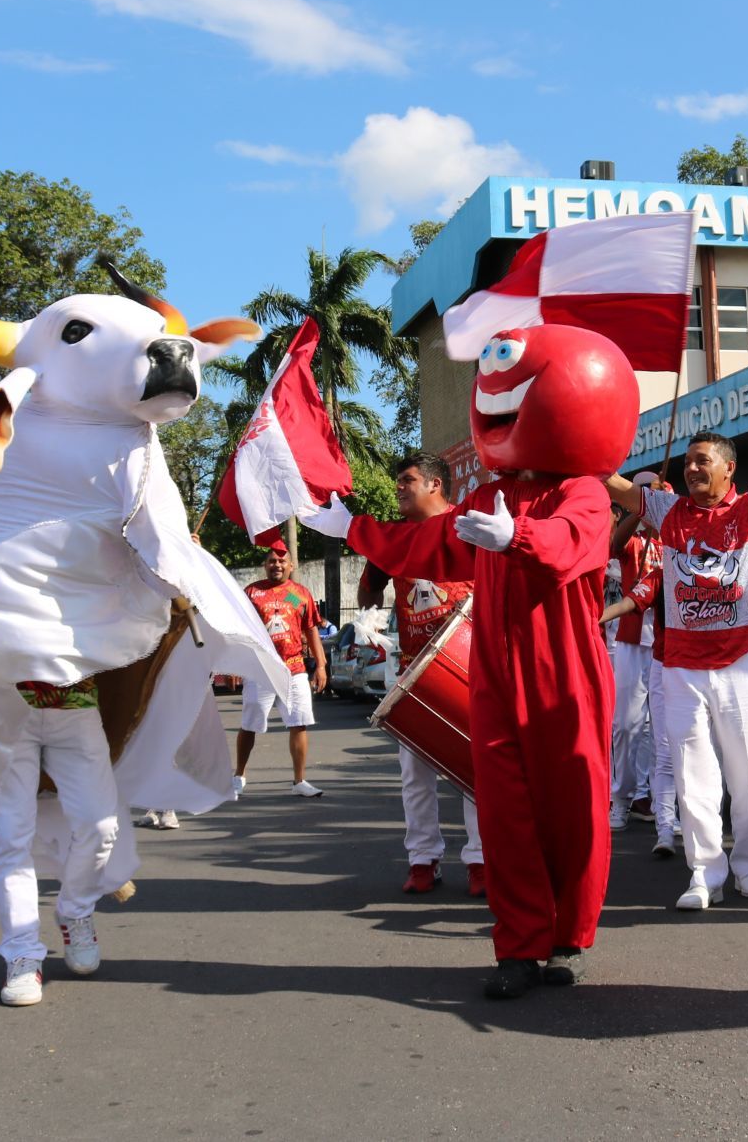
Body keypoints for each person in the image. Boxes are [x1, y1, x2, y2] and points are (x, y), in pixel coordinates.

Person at [303, 323, 636, 999]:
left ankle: (568, 929)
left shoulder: (587, 492)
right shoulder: (488, 498)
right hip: (493, 672)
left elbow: (571, 545)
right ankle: (519, 947)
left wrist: (520, 536)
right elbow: (428, 545)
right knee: (505, 815)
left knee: (571, 811)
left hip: (565, 673)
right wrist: (353, 530)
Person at [607, 354, 748, 913]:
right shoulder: (666, 510)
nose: (693, 470)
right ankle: (704, 873)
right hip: (681, 666)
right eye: (689, 463)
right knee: (694, 770)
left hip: (742, 660)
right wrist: (586, 426)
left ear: (727, 472)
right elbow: (611, 481)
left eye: (702, 463)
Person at [357, 451, 484, 898]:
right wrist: (368, 617)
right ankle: (423, 859)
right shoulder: (394, 539)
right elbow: (370, 585)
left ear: (434, 484)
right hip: (413, 672)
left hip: (470, 665)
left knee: (476, 770)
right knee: (416, 775)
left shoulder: (468, 525)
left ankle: (481, 860)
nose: (398, 487)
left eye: (407, 480)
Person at [234, 544, 326, 799]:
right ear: (265, 565)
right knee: (249, 724)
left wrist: (320, 664)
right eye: (272, 561)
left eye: (282, 561)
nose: (277, 564)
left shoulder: (300, 594)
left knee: (299, 723)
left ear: (291, 566)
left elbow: (311, 630)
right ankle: (238, 776)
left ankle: (299, 781)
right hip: (260, 668)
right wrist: (234, 664)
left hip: (294, 668)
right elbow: (239, 630)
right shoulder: (252, 593)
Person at [606, 509, 659, 832]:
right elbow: (614, 544)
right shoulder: (633, 542)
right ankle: (621, 797)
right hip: (630, 640)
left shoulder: (680, 543)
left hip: (669, 643)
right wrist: (639, 513)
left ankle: (650, 796)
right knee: (626, 725)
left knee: (660, 730)